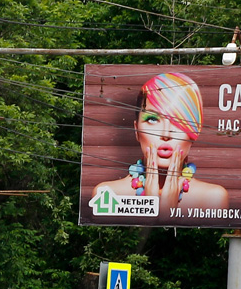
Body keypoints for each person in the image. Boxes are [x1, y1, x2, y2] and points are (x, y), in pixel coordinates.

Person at [93, 71, 228, 217]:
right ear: (136, 129)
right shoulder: (108, 195)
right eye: (152, 119)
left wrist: (165, 213)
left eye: (180, 121)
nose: (165, 134)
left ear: (195, 132)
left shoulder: (213, 198)